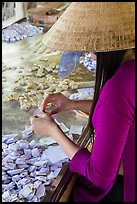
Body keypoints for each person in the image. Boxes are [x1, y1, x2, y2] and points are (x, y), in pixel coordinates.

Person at [30, 2, 135, 202]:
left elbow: (99, 176)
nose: (89, 54)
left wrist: (52, 130)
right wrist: (71, 104)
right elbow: (118, 116)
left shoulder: (118, 88)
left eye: (90, 49)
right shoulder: (130, 70)